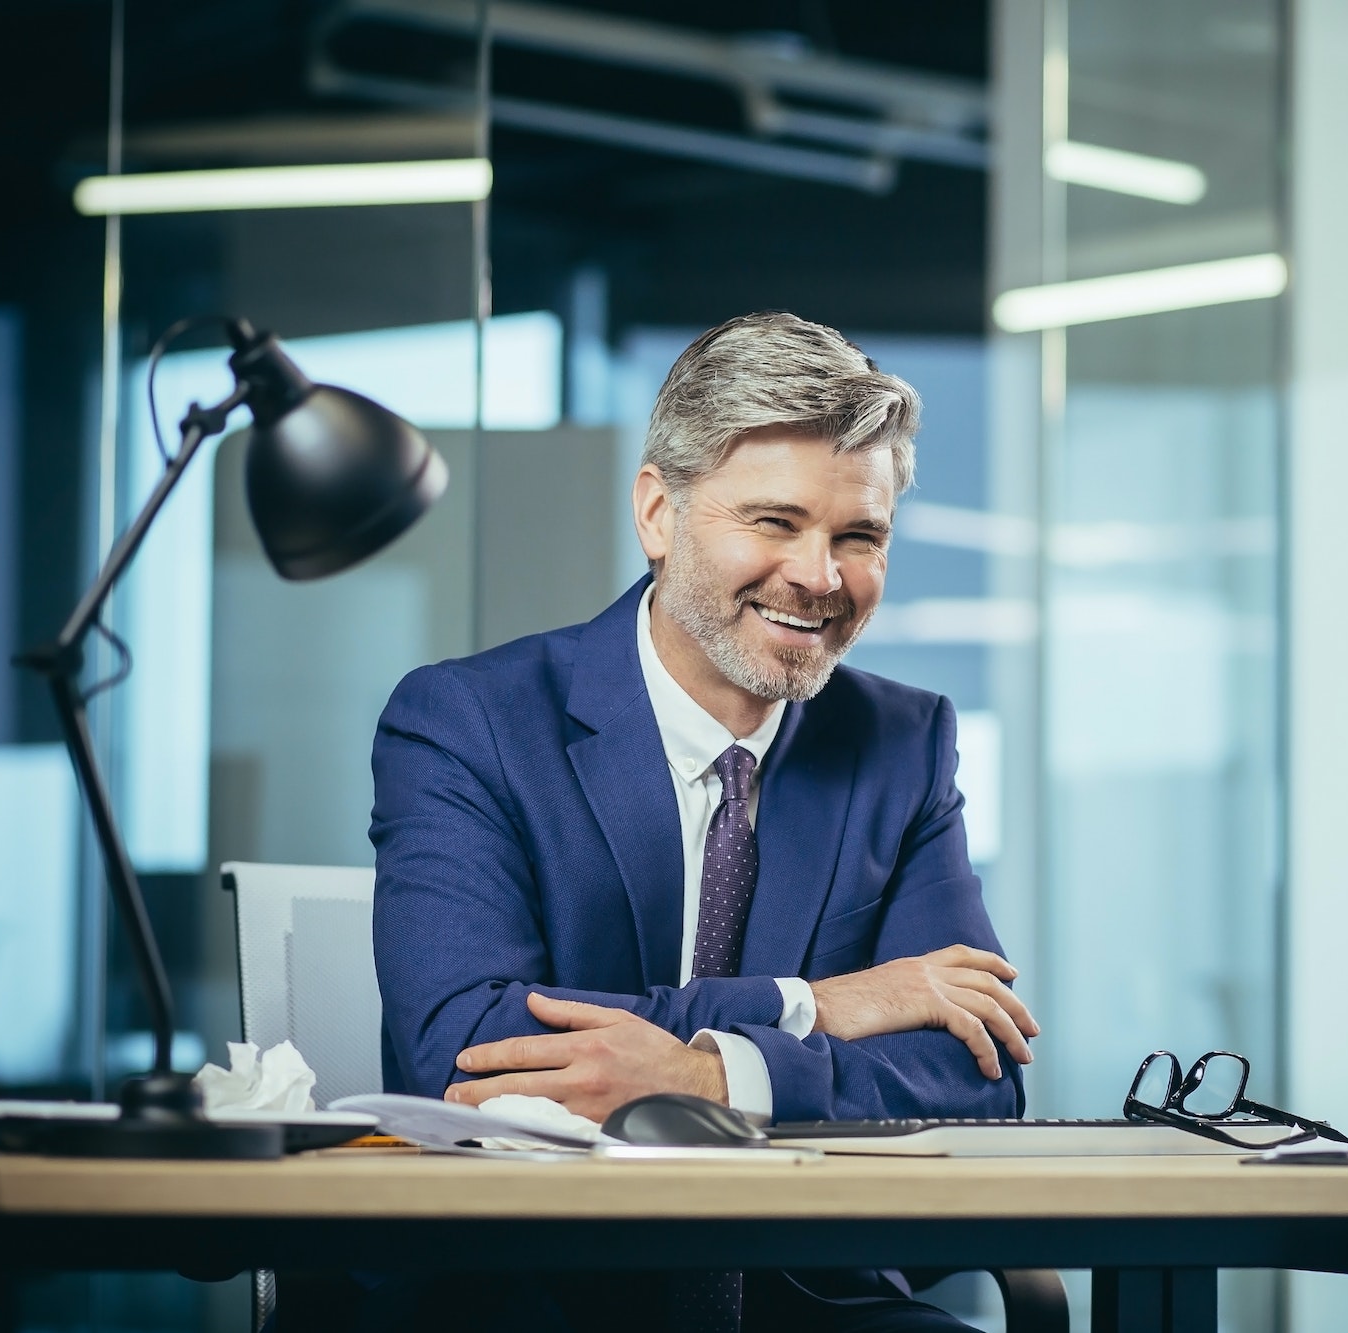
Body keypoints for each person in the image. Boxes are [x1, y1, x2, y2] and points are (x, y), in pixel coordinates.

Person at [369, 311, 1038, 1333]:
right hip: (529, 1298)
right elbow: (466, 1050)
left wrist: (704, 1073)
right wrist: (818, 1003)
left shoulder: (902, 744)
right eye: (773, 522)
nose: (820, 576)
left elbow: (974, 1078)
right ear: (657, 514)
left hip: (808, 1297)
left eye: (858, 534)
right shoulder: (470, 722)